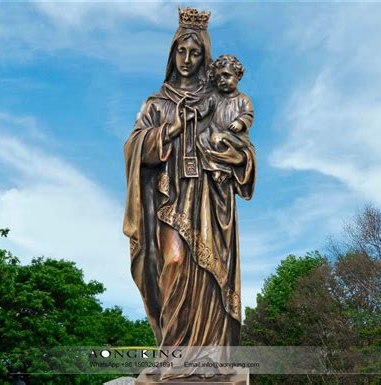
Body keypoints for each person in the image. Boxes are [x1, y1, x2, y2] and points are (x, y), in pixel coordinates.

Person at [123, 7, 256, 380]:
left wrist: (227, 151)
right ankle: (174, 357)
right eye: (181, 51)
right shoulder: (157, 103)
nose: (187, 60)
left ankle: (210, 359)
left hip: (210, 197)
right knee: (175, 261)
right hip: (169, 198)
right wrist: (169, 130)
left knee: (210, 273)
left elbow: (243, 146)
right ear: (172, 54)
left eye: (195, 52)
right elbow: (133, 146)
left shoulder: (218, 98)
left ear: (205, 56)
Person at [197, 54, 254, 183]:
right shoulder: (214, 97)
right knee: (201, 137)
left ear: (238, 76)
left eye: (226, 75)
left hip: (236, 138)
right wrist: (194, 112)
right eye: (218, 78)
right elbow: (204, 110)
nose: (222, 80)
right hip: (215, 132)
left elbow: (248, 115)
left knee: (217, 138)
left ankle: (224, 168)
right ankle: (215, 167)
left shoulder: (243, 99)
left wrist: (240, 122)